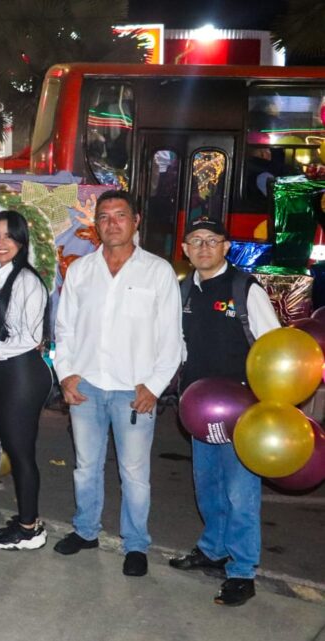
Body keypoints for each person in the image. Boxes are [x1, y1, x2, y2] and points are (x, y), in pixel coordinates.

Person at [53, 190, 183, 577]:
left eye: (120, 215)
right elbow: (65, 328)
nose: (112, 223)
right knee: (85, 467)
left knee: (134, 473)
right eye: (104, 216)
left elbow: (171, 338)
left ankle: (136, 544)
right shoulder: (81, 270)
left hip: (134, 391)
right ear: (96, 224)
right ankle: (86, 530)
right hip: (87, 386)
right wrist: (66, 374)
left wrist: (155, 386)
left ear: (136, 220)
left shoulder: (157, 272)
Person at [169, 217, 279, 606]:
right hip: (199, 409)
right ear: (185, 249)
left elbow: (272, 348)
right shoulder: (183, 291)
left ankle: (242, 571)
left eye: (211, 241)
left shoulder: (245, 290)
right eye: (195, 241)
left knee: (241, 493)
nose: (203, 248)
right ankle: (212, 550)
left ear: (226, 246)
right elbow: (180, 347)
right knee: (208, 487)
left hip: (242, 411)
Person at [0, 210, 51, 550]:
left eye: (8, 236)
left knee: (21, 453)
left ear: (21, 241)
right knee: (16, 449)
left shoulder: (27, 281)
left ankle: (30, 528)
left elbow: (31, 337)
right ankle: (26, 518)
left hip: (22, 373)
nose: (0, 243)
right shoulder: (0, 276)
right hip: (6, 371)